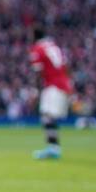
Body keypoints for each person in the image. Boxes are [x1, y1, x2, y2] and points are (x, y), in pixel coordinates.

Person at [29, 28, 72, 160]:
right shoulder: (54, 46)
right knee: (49, 116)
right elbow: (66, 66)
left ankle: (53, 149)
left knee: (47, 116)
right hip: (63, 83)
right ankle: (53, 148)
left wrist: (35, 90)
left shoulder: (38, 48)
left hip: (53, 85)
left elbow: (37, 72)